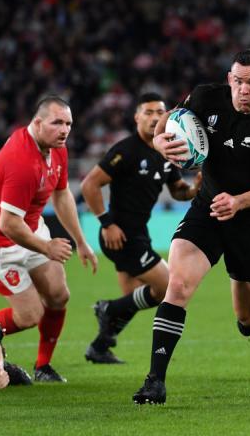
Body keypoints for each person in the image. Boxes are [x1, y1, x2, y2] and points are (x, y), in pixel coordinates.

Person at [131, 49, 250, 404]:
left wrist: (239, 201)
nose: (244, 90)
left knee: (246, 318)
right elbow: (168, 122)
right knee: (178, 284)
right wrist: (161, 142)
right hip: (206, 210)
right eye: (238, 82)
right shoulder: (206, 97)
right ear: (229, 80)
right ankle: (155, 381)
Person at [0, 95, 98, 382]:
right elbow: (8, 224)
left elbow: (62, 194)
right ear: (37, 123)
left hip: (32, 228)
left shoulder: (56, 148)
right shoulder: (22, 160)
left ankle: (43, 367)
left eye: (68, 123)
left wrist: (81, 240)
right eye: (57, 123)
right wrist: (47, 246)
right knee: (28, 315)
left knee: (58, 295)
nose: (64, 130)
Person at [82, 93, 202, 364]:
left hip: (139, 233)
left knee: (132, 300)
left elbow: (178, 191)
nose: (154, 117)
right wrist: (106, 223)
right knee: (167, 287)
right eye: (147, 113)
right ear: (136, 117)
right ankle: (107, 308)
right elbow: (90, 184)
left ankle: (99, 347)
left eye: (159, 112)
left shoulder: (167, 151)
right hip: (120, 235)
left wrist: (195, 189)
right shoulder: (126, 149)